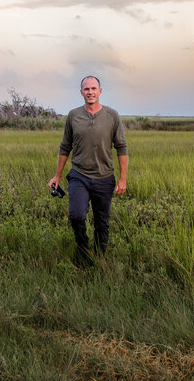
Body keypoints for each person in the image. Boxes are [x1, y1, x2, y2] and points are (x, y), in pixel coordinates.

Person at [48, 76, 128, 267]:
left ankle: (99, 258)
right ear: (81, 92)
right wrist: (57, 176)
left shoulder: (112, 116)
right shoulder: (73, 116)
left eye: (93, 88)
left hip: (104, 177)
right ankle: (83, 249)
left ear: (100, 91)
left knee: (102, 223)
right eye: (86, 89)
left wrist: (123, 179)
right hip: (79, 175)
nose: (90, 92)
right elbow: (65, 146)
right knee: (76, 216)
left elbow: (121, 147)